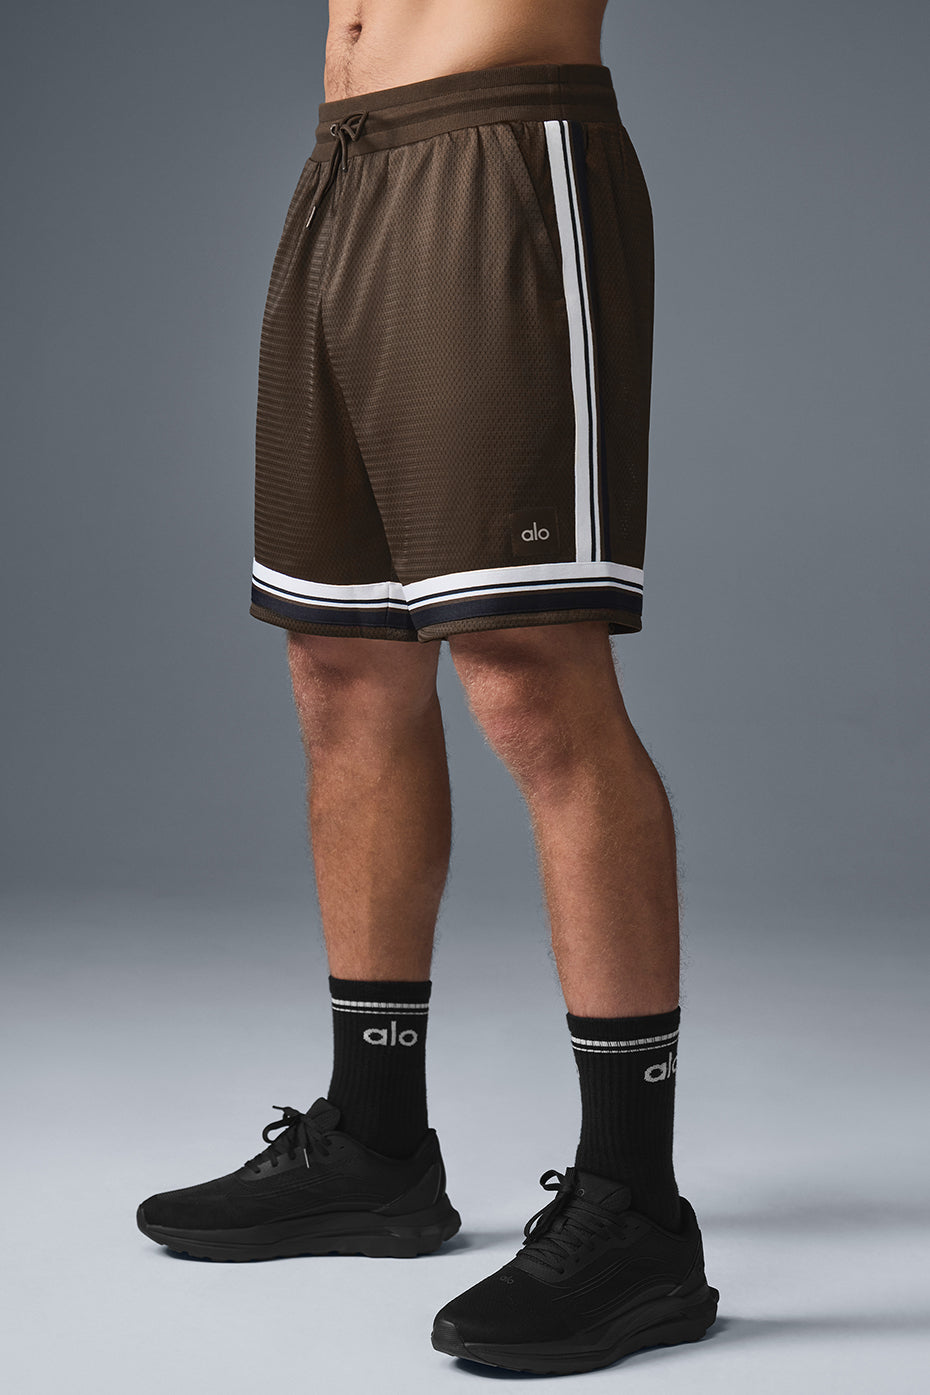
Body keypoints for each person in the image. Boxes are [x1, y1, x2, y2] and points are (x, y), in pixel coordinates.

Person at [137, 0, 719, 1375]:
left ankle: (634, 1205)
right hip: (347, 161)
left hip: (500, 150)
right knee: (342, 661)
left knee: (526, 671)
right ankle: (375, 1139)